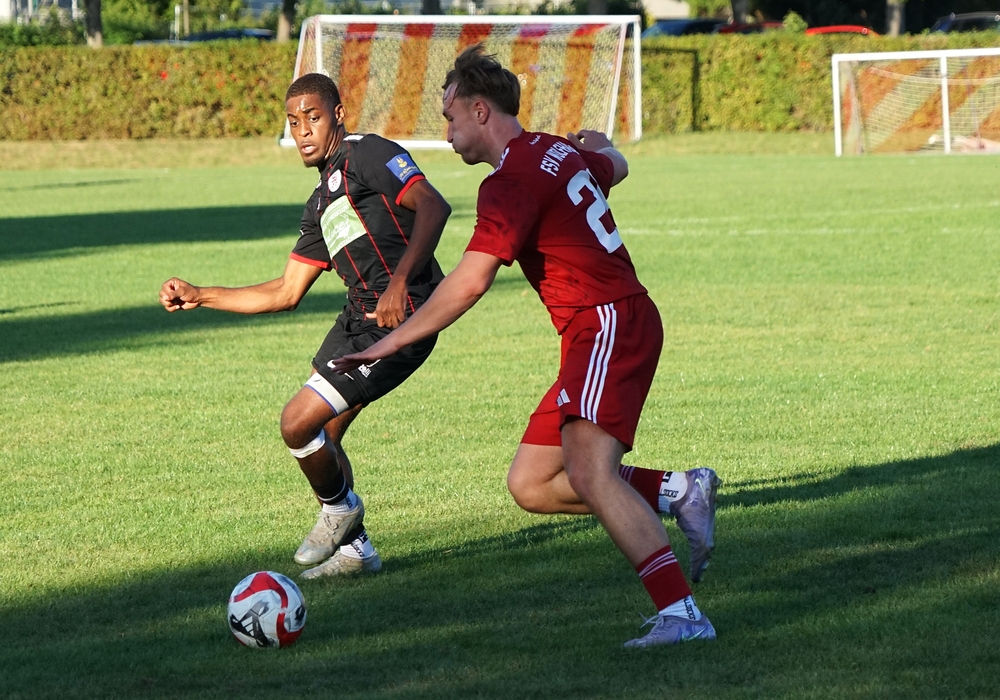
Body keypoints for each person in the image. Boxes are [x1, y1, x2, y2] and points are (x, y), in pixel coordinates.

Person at [330, 45, 720, 647]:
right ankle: (680, 490)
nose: (447, 132)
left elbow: (469, 282)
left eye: (450, 116)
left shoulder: (508, 183)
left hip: (606, 323)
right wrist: (601, 146)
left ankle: (683, 615)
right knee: (532, 484)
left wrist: (390, 342)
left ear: (480, 111)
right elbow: (614, 164)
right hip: (604, 325)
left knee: (590, 472)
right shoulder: (553, 149)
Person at [159, 73, 451, 580]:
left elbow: (434, 205)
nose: (303, 132)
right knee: (323, 441)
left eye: (313, 118)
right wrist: (201, 294)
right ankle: (356, 552)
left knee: (296, 422)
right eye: (294, 123)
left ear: (337, 114)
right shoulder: (319, 205)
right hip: (356, 321)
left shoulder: (368, 153)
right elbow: (285, 292)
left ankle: (340, 511)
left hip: (404, 317)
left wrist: (401, 281)